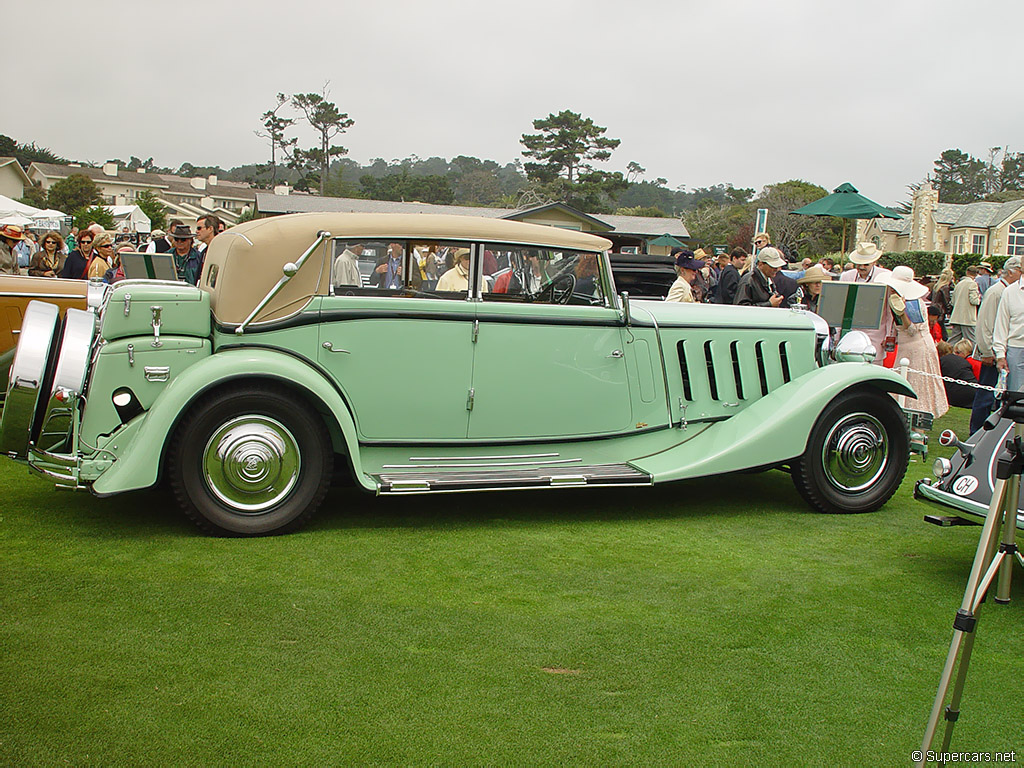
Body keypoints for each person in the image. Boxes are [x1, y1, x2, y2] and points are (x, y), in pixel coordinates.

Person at [878, 265, 948, 419]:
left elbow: (912, 330)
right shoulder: (895, 299)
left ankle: (918, 428)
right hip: (905, 348)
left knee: (918, 387)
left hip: (918, 348)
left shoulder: (913, 302)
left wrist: (902, 313)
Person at [970, 255, 1022, 432]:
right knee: (987, 396)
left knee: (993, 397)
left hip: (1000, 350)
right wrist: (988, 352)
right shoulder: (998, 291)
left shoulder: (1002, 290)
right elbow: (986, 323)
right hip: (995, 352)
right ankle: (978, 432)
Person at [840, 242, 894, 365]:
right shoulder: (846, 276)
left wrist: (889, 335)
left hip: (876, 334)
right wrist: (838, 336)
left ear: (874, 262)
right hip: (850, 332)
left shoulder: (885, 276)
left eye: (866, 264)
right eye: (859, 264)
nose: (862, 267)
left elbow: (890, 310)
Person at [936, 341, 978, 409]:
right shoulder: (964, 361)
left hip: (962, 394)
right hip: (973, 392)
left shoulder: (942, 361)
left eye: (958, 352)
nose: (956, 354)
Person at [948, 266, 981, 345]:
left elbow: (952, 301)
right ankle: (972, 356)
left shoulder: (959, 284)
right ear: (976, 274)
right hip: (968, 318)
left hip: (957, 316)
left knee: (954, 340)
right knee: (971, 340)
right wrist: (978, 297)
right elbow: (974, 301)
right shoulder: (973, 284)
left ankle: (947, 353)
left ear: (967, 272)